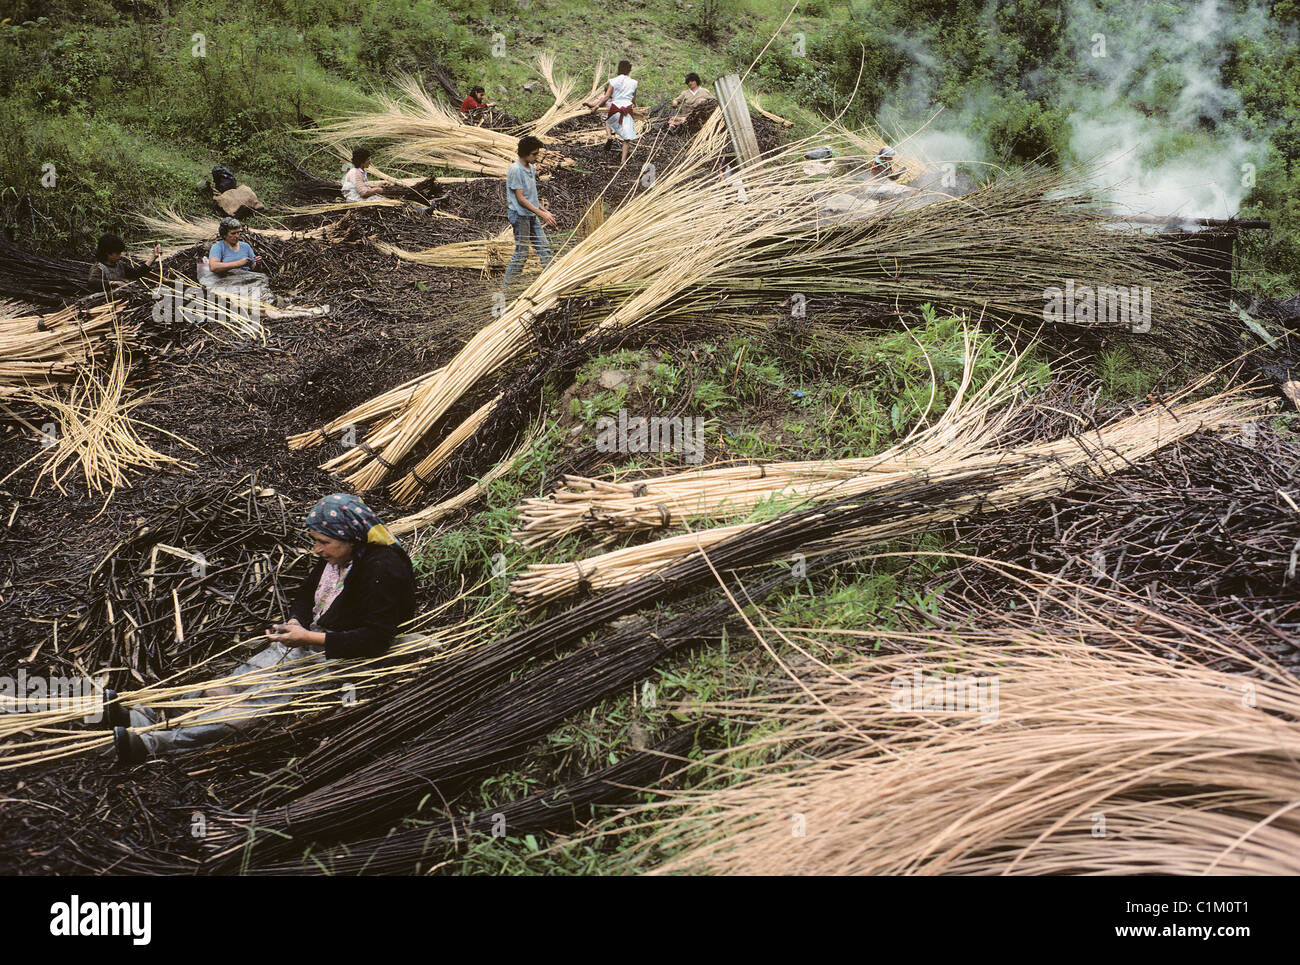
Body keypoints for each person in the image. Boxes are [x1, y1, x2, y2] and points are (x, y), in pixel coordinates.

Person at [109, 494, 417, 765]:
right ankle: (145, 714)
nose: (316, 550)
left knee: (257, 705)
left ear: (350, 536)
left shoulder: (383, 568)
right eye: (314, 540)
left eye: (323, 542)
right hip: (309, 638)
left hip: (341, 658)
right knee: (231, 683)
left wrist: (309, 637)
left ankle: (155, 744)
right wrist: (297, 621)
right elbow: (305, 595)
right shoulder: (339, 556)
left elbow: (376, 639)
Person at [504, 134, 557, 284]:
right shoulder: (516, 170)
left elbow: (531, 195)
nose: (536, 157)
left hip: (531, 214)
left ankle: (552, 281)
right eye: (534, 154)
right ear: (525, 153)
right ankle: (507, 286)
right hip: (520, 216)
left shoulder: (531, 168)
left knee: (544, 248)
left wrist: (543, 211)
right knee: (521, 253)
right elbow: (521, 199)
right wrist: (541, 214)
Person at [584, 59, 638, 165]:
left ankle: (609, 136)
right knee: (626, 138)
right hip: (627, 108)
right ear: (629, 70)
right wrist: (635, 107)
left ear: (619, 69)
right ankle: (623, 161)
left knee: (608, 123)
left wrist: (597, 106)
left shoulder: (613, 81)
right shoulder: (634, 83)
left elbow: (607, 97)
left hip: (615, 107)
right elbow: (633, 100)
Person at [89, 233, 162, 289]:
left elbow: (137, 273)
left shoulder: (120, 265)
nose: (120, 255)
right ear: (108, 253)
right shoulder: (99, 268)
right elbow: (92, 282)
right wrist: (113, 283)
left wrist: (154, 256)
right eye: (117, 253)